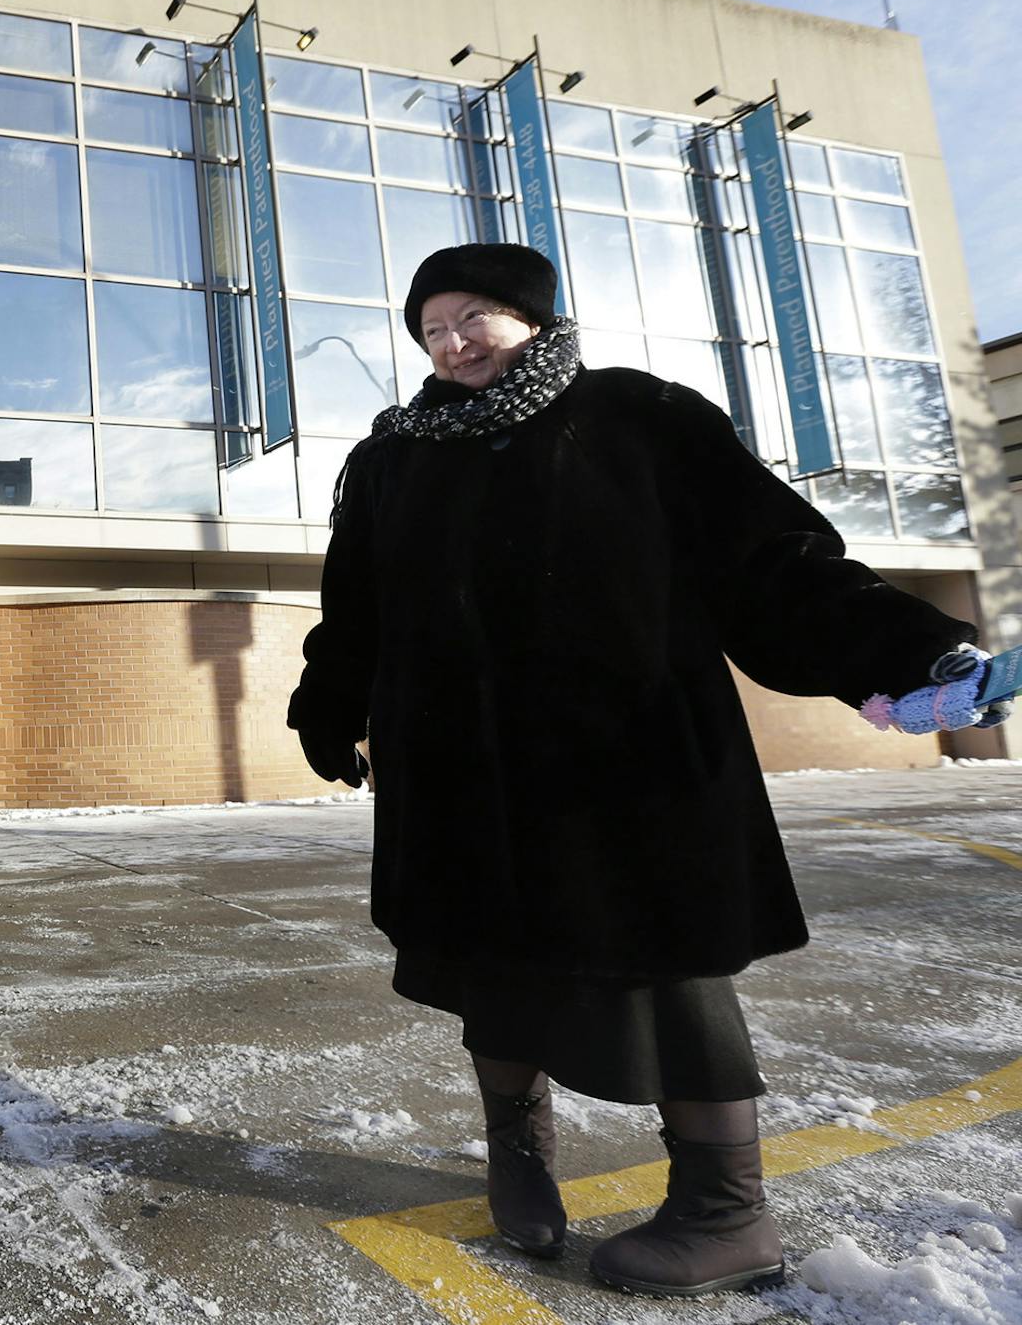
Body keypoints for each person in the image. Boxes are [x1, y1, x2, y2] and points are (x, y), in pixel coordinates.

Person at [286, 242, 1003, 1298]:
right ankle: (517, 1153)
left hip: (626, 762)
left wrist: (906, 652)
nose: (453, 343)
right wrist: (329, 701)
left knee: (669, 973)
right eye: (432, 330)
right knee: (486, 963)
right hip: (458, 769)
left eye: (473, 316)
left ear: (532, 316)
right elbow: (356, 608)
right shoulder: (395, 455)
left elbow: (771, 562)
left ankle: (726, 1210)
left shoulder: (636, 415)